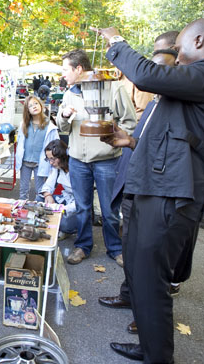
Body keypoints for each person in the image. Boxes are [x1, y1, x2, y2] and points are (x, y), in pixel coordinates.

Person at [94, 19, 204, 363]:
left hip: (173, 191)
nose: (176, 57)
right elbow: (182, 133)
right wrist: (130, 141)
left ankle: (158, 357)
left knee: (151, 279)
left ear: (199, 39)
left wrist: (117, 42)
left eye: (178, 49)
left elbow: (150, 76)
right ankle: (150, 346)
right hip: (161, 185)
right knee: (138, 267)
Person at [98, 43, 181, 336]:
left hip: (158, 191)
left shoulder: (179, 104)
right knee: (131, 248)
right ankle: (129, 296)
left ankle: (146, 318)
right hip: (135, 182)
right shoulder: (158, 102)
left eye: (162, 68)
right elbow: (143, 140)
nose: (155, 75)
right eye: (153, 66)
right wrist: (129, 141)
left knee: (151, 261)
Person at [57, 49, 136, 266]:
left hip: (107, 160)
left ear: (79, 69)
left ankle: (115, 248)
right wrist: (63, 116)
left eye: (65, 69)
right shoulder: (69, 93)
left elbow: (130, 121)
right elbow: (62, 126)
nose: (63, 74)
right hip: (77, 161)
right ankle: (83, 246)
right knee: (83, 207)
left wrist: (115, 134)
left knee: (110, 209)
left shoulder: (113, 87)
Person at [15, 95, 58, 201]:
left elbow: (56, 143)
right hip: (25, 162)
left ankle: (39, 212)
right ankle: (21, 211)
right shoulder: (24, 124)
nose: (34, 106)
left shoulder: (50, 125)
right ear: (27, 110)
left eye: (36, 103)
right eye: (30, 106)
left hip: (40, 163)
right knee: (23, 190)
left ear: (41, 105)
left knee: (40, 191)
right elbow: (20, 142)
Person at [40, 139, 77, 238]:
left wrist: (60, 209)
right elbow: (48, 185)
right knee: (39, 199)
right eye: (49, 159)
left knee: (65, 224)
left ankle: (67, 227)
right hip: (66, 199)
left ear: (62, 156)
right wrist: (47, 195)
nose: (51, 163)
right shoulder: (58, 168)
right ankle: (54, 223)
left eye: (53, 159)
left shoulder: (76, 169)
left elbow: (81, 200)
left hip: (77, 205)